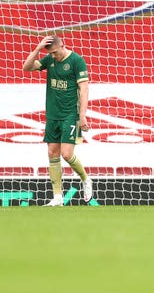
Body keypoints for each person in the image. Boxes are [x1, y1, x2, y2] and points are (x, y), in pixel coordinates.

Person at [23, 35, 93, 206]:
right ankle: (57, 198)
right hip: (52, 114)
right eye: (50, 53)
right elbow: (26, 67)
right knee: (52, 154)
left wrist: (82, 115)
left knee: (66, 154)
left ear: (63, 45)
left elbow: (84, 90)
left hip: (70, 114)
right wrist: (38, 49)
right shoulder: (49, 60)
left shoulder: (77, 61)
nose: (53, 56)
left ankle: (86, 179)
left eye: (55, 52)